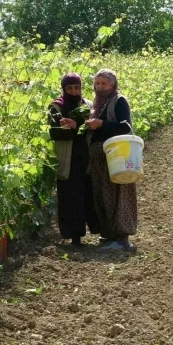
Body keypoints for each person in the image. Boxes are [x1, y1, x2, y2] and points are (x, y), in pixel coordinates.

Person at [85, 68, 138, 251]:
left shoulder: (118, 101)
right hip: (99, 159)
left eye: (104, 83)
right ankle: (109, 235)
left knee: (118, 195)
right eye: (97, 83)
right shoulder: (97, 105)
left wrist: (101, 125)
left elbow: (125, 127)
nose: (100, 87)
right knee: (103, 196)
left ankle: (122, 238)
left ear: (113, 84)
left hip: (116, 157)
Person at [48, 73, 100, 246]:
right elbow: (55, 132)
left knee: (88, 194)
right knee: (69, 196)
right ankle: (74, 237)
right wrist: (76, 129)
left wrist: (75, 126)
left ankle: (96, 231)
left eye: (77, 87)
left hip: (85, 156)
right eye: (69, 88)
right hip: (67, 158)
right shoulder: (56, 106)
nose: (74, 91)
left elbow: (92, 130)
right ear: (63, 89)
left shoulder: (87, 105)